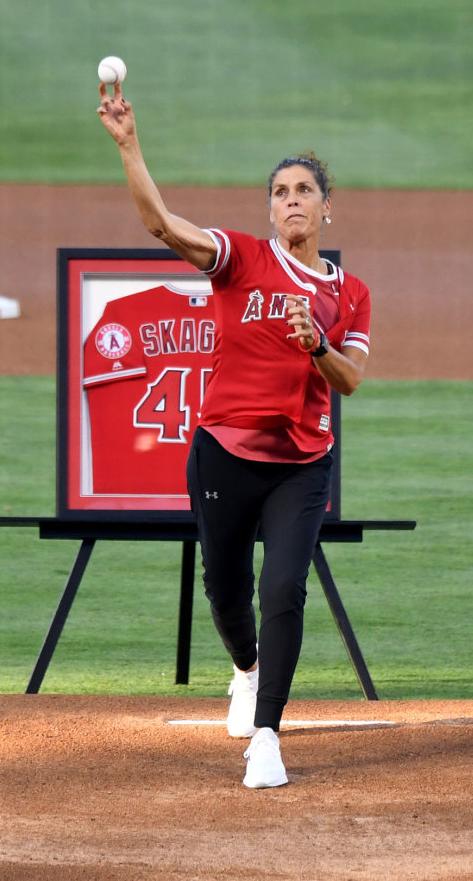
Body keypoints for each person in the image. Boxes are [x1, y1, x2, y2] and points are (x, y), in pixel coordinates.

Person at [98, 78, 372, 788]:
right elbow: (162, 225)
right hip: (223, 451)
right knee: (225, 590)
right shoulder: (242, 258)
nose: (290, 201)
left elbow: (350, 380)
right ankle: (245, 671)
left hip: (302, 464)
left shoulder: (349, 294)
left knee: (283, 587)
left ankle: (270, 737)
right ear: (270, 209)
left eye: (303, 190)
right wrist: (129, 145)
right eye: (280, 191)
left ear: (326, 207)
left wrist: (318, 347)